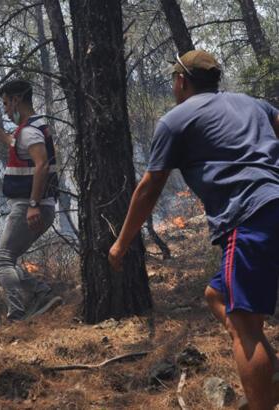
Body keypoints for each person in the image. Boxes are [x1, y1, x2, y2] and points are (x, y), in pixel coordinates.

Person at [108, 50, 279, 409]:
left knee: (245, 327)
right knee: (216, 296)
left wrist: (121, 244)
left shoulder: (175, 121)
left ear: (181, 81)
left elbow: (150, 186)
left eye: (173, 80)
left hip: (250, 218)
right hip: (271, 205)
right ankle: (268, 380)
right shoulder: (254, 104)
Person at [0, 79, 63, 321]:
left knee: (3, 259)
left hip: (29, 205)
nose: (6, 109)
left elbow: (41, 164)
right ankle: (42, 293)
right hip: (35, 205)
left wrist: (33, 205)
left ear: (17, 100)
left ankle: (17, 315)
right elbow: (21, 146)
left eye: (7, 103)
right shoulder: (32, 127)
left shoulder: (29, 130)